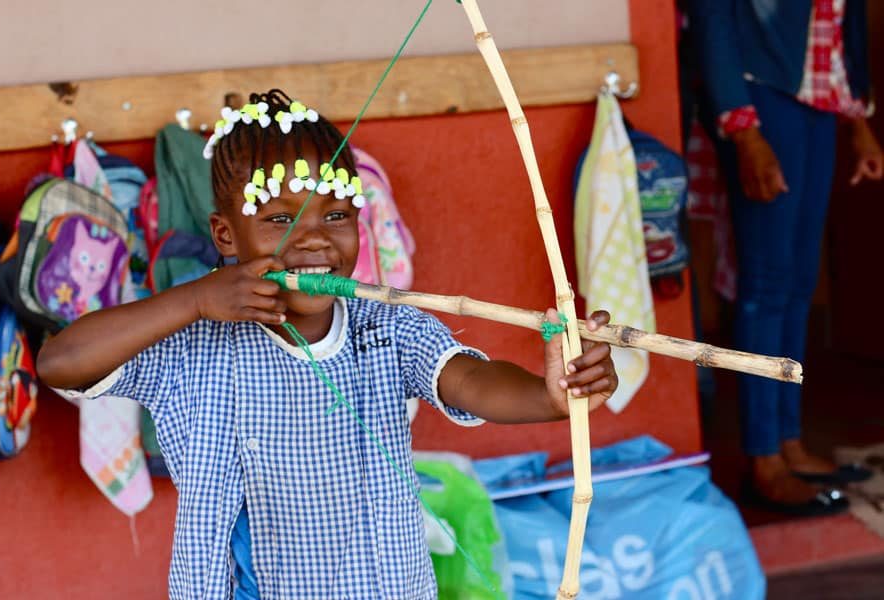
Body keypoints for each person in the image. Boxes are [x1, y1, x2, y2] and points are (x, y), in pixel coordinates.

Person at [36, 89, 619, 599]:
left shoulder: (384, 326)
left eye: (336, 214)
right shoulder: (189, 345)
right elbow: (60, 362)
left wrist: (552, 397)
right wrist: (192, 300)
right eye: (279, 221)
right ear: (224, 236)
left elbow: (468, 380)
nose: (314, 240)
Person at [688, 0, 883, 514]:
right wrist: (744, 129)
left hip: (820, 100)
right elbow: (713, 16)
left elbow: (843, 25)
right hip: (760, 98)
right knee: (767, 284)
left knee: (797, 281)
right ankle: (763, 458)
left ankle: (788, 441)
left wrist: (858, 119)